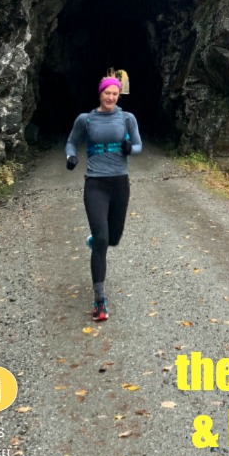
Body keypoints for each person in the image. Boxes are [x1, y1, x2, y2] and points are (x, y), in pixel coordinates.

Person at [65, 76, 142, 321]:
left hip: (119, 183)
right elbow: (71, 142)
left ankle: (97, 240)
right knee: (101, 239)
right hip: (95, 183)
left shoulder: (127, 118)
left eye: (115, 94)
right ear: (100, 94)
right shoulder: (85, 120)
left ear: (118, 96)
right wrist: (70, 157)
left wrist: (130, 149)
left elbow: (138, 146)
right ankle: (100, 302)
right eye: (107, 93)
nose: (110, 97)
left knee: (113, 238)